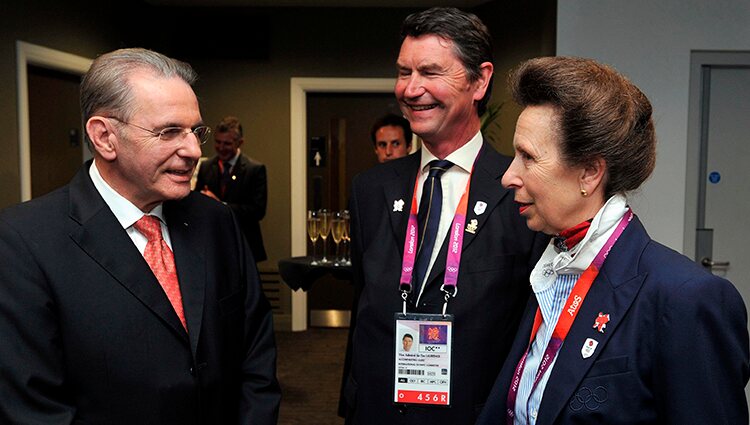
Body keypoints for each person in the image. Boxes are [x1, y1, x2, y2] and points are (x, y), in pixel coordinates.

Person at [0, 48, 280, 424]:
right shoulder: (23, 242)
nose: (194, 150)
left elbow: (256, 354)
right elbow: (34, 407)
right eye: (169, 132)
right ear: (104, 137)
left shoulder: (217, 222)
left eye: (196, 131)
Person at [476, 56, 750, 425]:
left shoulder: (685, 298)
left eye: (528, 157)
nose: (509, 176)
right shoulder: (548, 271)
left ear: (589, 172)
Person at [342, 7, 548, 424]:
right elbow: (363, 310)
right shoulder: (370, 189)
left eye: (430, 72)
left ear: (480, 80)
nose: (411, 89)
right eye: (404, 72)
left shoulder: (521, 190)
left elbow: (531, 332)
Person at [195, 116, 268, 263]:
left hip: (244, 243)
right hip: (214, 243)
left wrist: (220, 205)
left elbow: (257, 211)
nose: (221, 148)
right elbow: (197, 201)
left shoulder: (255, 169)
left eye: (227, 143)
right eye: (218, 142)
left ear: (240, 142)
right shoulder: (206, 166)